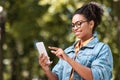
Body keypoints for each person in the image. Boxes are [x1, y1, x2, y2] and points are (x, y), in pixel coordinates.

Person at [39, 2, 113, 80]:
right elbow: (56, 78)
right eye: (73, 25)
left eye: (79, 23)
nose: (75, 28)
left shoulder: (101, 49)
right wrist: (46, 69)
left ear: (91, 24)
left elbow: (95, 77)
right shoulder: (68, 51)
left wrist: (68, 59)